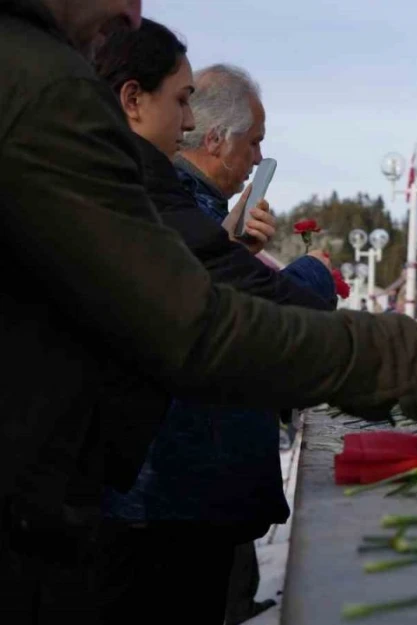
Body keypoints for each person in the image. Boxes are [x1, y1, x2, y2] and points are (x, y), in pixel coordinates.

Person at [0, 2, 417, 622]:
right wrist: (393, 351)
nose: (131, 12)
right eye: (182, 100)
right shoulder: (46, 88)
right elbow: (192, 323)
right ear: (133, 100)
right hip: (116, 507)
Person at [93, 35, 338, 623]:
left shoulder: (188, 211)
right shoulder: (168, 205)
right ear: (217, 140)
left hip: (169, 496)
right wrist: (316, 273)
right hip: (175, 497)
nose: (257, 159)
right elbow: (252, 309)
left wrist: (233, 247)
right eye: (252, 143)